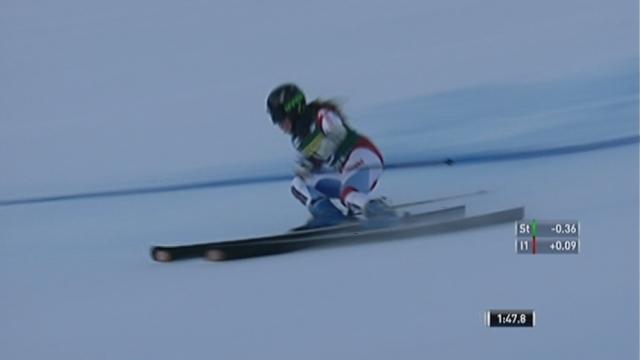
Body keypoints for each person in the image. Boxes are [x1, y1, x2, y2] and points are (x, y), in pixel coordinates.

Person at [266, 83, 396, 229]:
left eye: (279, 117)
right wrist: (307, 166)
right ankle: (330, 216)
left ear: (293, 110)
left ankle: (381, 213)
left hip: (363, 156)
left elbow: (337, 133)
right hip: (344, 169)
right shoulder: (299, 139)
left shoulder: (322, 115)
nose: (278, 124)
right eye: (274, 118)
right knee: (299, 184)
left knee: (349, 194)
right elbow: (316, 162)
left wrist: (317, 156)